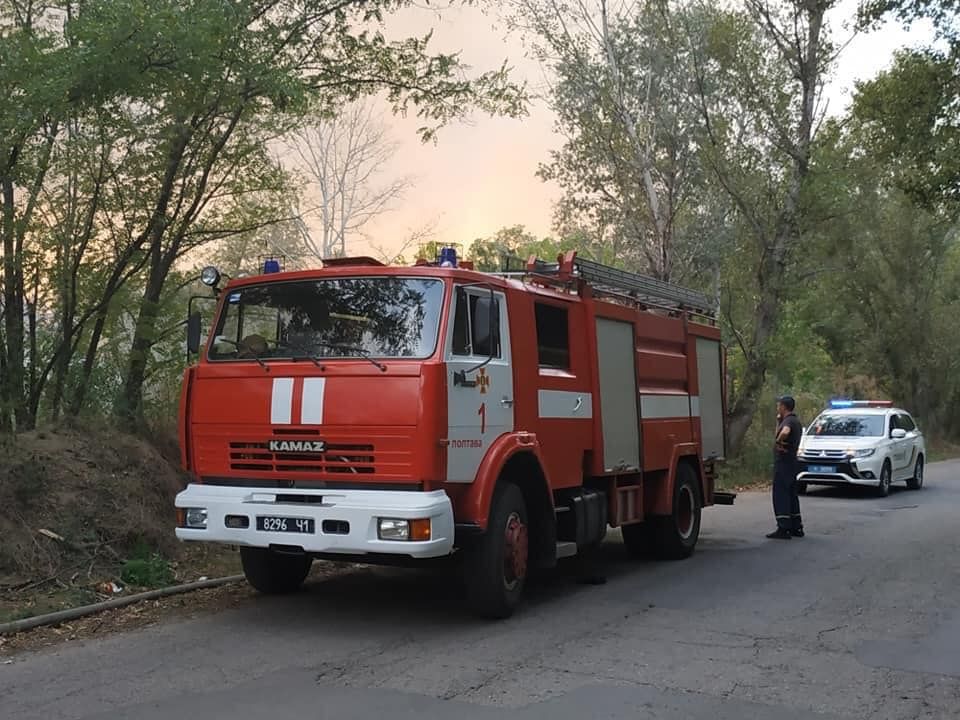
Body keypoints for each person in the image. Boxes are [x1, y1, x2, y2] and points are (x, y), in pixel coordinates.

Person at [768, 395, 804, 540]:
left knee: (781, 494)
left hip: (784, 464)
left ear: (783, 407)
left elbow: (785, 432)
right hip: (792, 463)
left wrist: (778, 442)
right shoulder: (794, 420)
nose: (777, 408)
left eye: (779, 405)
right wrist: (778, 422)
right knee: (791, 495)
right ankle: (796, 526)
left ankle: (783, 527)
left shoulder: (788, 421)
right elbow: (781, 429)